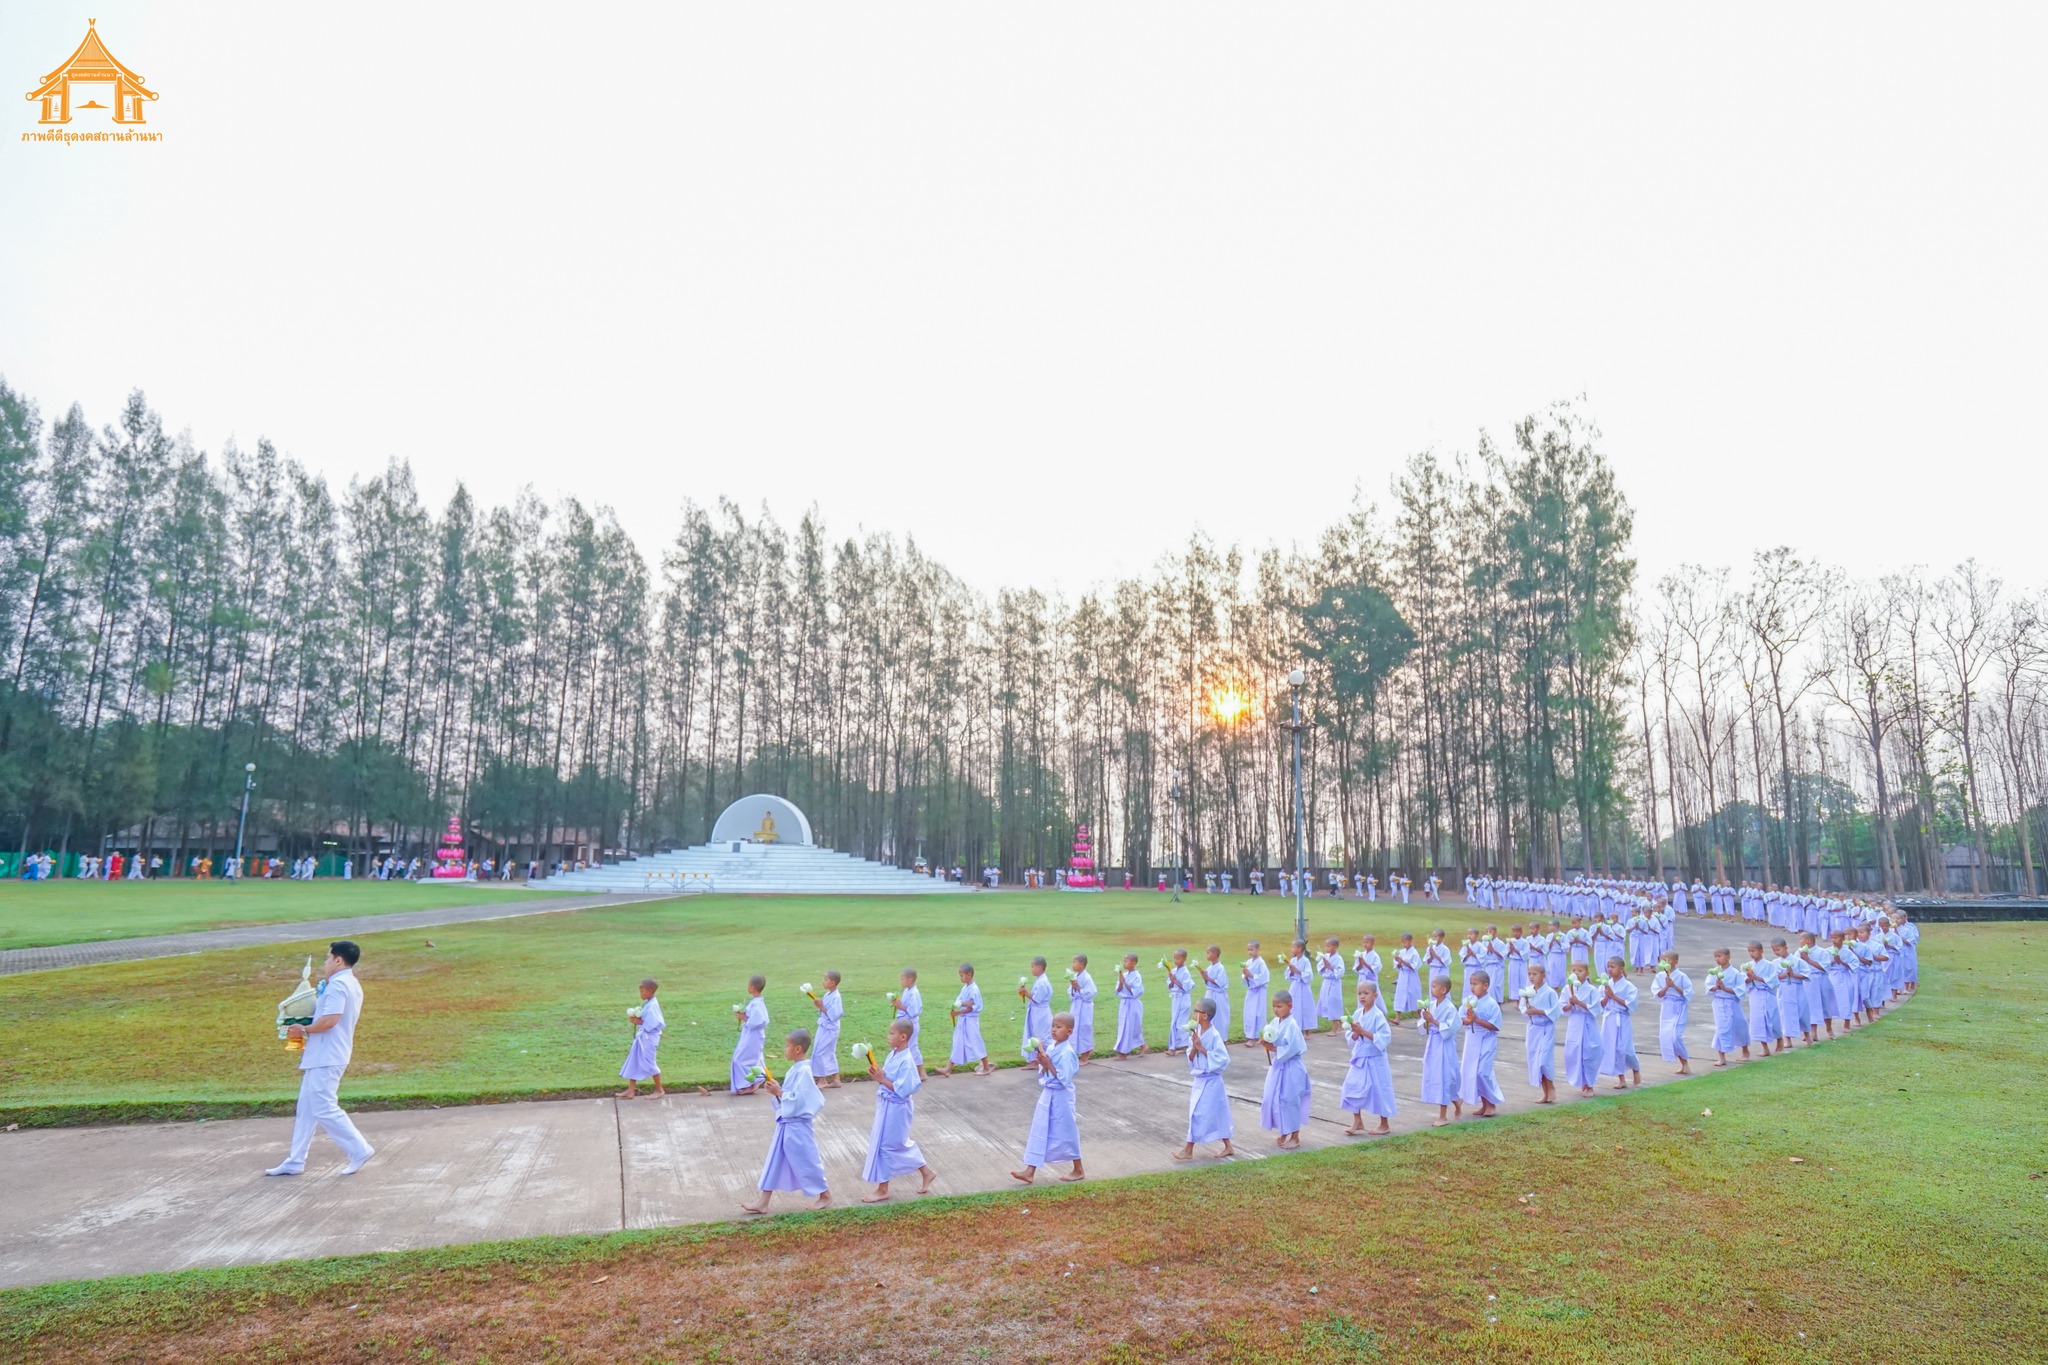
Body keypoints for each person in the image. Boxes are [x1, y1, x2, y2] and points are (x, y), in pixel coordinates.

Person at [266, 941, 375, 1177]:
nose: (325, 963)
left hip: (328, 1055)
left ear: (338, 960)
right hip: (324, 1054)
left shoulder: (338, 986)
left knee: (324, 1107)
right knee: (306, 1108)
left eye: (327, 958)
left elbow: (330, 1020)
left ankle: (359, 1149)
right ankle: (296, 1160)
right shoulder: (346, 983)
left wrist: (303, 1030)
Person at [739, 1029, 830, 1215]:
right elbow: (792, 1097)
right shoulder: (796, 1068)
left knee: (807, 1160)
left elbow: (801, 1099)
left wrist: (780, 1093)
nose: (784, 1049)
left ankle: (825, 1195)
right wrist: (777, 1092)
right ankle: (763, 1202)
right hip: (787, 1123)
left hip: (798, 1126)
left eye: (787, 1046)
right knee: (775, 1160)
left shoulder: (804, 1071)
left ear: (797, 1049)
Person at [860, 1020, 938, 1202]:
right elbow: (888, 1077)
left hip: (897, 1108)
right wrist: (878, 1073)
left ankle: (883, 1189)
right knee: (891, 1144)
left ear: (903, 1037)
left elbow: (903, 1089)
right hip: (886, 1106)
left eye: (891, 1034)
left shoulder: (907, 1060)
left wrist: (882, 1079)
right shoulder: (893, 1054)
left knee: (888, 1145)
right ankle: (927, 1172)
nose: (888, 1037)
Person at [1011, 1012, 1084, 1185]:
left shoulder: (1067, 1053)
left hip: (1061, 1096)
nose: (1054, 1030)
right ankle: (1030, 1170)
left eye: (1059, 1027)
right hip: (1048, 1094)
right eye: (1053, 1026)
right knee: (1040, 1128)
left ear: (1069, 1031)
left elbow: (1064, 1079)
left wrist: (1047, 1064)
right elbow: (1045, 1071)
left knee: (1066, 1130)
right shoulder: (1052, 1047)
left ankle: (1078, 1169)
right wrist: (1042, 1059)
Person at [1173, 997, 1235, 1160]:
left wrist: (1202, 1047)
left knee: (1198, 1113)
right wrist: (1195, 1047)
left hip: (1212, 1080)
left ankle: (1188, 1149)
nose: (1193, 1014)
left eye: (1196, 1011)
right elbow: (1191, 1057)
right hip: (1199, 1079)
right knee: (1213, 1113)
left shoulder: (1214, 1035)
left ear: (1205, 1015)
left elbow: (1223, 1060)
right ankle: (1228, 1146)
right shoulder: (1196, 1032)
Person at [1340, 981, 1396, 1135]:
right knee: (1350, 1087)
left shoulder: (1378, 1015)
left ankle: (1384, 1124)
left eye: (1366, 993)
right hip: (1360, 1057)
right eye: (1359, 993)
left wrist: (1363, 1031)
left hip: (1375, 1059)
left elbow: (1384, 1038)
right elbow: (1351, 1037)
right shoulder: (1358, 1014)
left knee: (1379, 1090)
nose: (1362, 997)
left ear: (1375, 995)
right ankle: (1357, 1121)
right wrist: (1355, 1033)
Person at [1257, 990, 1310, 1149]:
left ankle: (1295, 1136)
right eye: (1274, 1006)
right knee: (1273, 1098)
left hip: (1292, 1066)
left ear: (1290, 1006)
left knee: (1290, 1099)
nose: (1276, 1009)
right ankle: (1283, 1130)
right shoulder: (1275, 1022)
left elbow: (1291, 1048)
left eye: (1279, 1006)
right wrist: (1265, 1042)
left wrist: (1271, 1047)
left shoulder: (1292, 1025)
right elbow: (1271, 1038)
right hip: (1278, 1066)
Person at [1418, 976, 1462, 1126]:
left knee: (1444, 1076)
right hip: (1433, 1044)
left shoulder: (1450, 1008)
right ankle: (1456, 1102)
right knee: (1437, 1076)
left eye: (1435, 986)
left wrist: (1433, 1020)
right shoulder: (1431, 1005)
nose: (1432, 989)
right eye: (1431, 986)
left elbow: (1451, 1028)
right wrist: (1425, 1020)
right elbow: (1424, 1026)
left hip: (1444, 1045)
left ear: (1443, 990)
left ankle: (1443, 1116)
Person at [1458, 971, 1503, 1118]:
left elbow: (1495, 1026)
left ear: (1485, 986)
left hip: (1487, 1039)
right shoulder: (1468, 1001)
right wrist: (1469, 1020)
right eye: (1471, 983)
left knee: (1483, 1071)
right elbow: (1461, 1019)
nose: (1472, 987)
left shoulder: (1492, 1004)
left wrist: (1476, 1020)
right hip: (1472, 1039)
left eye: (1475, 984)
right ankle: (1484, 1104)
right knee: (1473, 1072)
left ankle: (1491, 1103)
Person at [933, 963, 991, 1078]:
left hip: (971, 1021)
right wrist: (956, 1011)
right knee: (957, 1041)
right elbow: (960, 1002)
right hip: (963, 1020)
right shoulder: (965, 988)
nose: (960, 978)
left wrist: (959, 1010)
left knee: (976, 1041)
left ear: (969, 975)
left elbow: (971, 1006)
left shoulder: (974, 990)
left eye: (962, 975)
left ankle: (986, 1067)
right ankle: (948, 1069)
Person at [617, 977, 666, 1098]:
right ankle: (631, 1090)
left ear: (649, 991)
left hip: (649, 1039)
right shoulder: (648, 1003)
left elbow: (652, 1024)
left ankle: (659, 1090)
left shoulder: (652, 1005)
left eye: (642, 991)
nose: (640, 994)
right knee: (634, 1060)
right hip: (643, 1038)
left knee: (650, 1063)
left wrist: (638, 1022)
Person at [1598, 957, 1641, 1090]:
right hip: (1609, 1018)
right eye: (1608, 967)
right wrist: (1606, 996)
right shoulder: (1605, 985)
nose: (1609, 969)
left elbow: (1631, 1004)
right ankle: (1621, 1078)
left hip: (1622, 1019)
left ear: (1621, 969)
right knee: (1613, 1048)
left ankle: (1636, 1069)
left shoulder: (1629, 986)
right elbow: (1600, 1004)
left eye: (1612, 967)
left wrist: (1613, 996)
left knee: (1625, 1047)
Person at [1519, 963, 1558, 1104]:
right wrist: (1527, 1010)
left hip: (1546, 1028)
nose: (1531, 977)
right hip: (1533, 1029)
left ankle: (1551, 1086)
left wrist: (1538, 1011)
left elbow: (1555, 1011)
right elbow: (1522, 1008)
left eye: (1534, 974)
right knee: (1535, 1061)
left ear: (1543, 975)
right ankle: (1545, 1093)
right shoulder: (1527, 991)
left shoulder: (1550, 993)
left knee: (1543, 1060)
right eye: (1529, 974)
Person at [1561, 962, 1601, 1097]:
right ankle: (1581, 1080)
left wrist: (1578, 1002)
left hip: (1588, 1022)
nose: (1576, 973)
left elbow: (1596, 1008)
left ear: (1588, 973)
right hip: (1574, 1022)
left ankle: (1590, 1084)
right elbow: (1562, 1008)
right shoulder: (1567, 989)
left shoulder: (1592, 990)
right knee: (1573, 1053)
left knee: (1589, 1052)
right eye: (1573, 970)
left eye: (1580, 970)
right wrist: (1570, 1004)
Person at [1705, 948, 1750, 1065]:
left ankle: (1745, 1051)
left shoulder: (1735, 973)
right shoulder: (1714, 972)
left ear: (1728, 957)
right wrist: (1716, 987)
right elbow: (1709, 987)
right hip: (1719, 1002)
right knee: (1722, 1028)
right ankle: (1721, 1056)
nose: (1717, 959)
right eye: (1716, 956)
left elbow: (1741, 990)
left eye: (1720, 956)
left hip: (1732, 1002)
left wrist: (1725, 988)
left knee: (1741, 1025)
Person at [1654, 953, 1692, 1075]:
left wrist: (1674, 985)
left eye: (1668, 959)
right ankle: (1683, 1064)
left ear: (1676, 961)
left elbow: (1688, 993)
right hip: (1667, 1007)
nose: (1665, 962)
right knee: (1667, 1036)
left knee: (1676, 1036)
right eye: (1663, 960)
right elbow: (1658, 994)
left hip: (1679, 1006)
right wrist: (1666, 987)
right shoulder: (1659, 976)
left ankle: (1685, 1062)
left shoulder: (1682, 976)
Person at [730, 975, 769, 1095]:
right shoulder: (755, 1002)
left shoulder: (757, 1004)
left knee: (740, 1059)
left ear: (752, 987)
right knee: (749, 1058)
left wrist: (743, 1017)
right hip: (749, 1034)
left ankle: (750, 1082)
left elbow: (758, 1020)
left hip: (753, 1036)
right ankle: (751, 1081)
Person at [811, 970, 845, 1087]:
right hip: (824, 1026)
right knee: (829, 1052)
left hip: (830, 1028)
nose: (823, 982)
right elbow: (825, 1010)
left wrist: (822, 1007)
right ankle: (836, 1080)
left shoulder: (836, 997)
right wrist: (819, 1006)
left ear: (833, 983)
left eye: (826, 980)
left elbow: (835, 1015)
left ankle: (822, 1079)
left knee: (820, 1052)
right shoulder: (827, 995)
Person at [1112, 954, 1147, 1057]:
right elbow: (1118, 990)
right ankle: (1143, 1046)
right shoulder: (1125, 975)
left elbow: (1136, 991)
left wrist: (1124, 983)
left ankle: (1124, 1053)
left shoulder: (1137, 976)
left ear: (1133, 963)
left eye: (1126, 961)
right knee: (1125, 1026)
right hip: (1124, 1003)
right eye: (1124, 961)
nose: (1124, 963)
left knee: (1130, 1027)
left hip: (1133, 1004)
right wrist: (1121, 982)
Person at [893, 968, 926, 1078]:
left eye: (903, 979)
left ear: (910, 980)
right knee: (907, 1047)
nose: (901, 981)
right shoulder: (907, 991)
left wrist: (900, 1006)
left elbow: (914, 1010)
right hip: (904, 1024)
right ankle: (917, 1072)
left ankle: (921, 1072)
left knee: (911, 1047)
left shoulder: (914, 993)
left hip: (910, 1024)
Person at [1066, 955, 1097, 1062]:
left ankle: (1086, 1053)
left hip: (1084, 1006)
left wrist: (1078, 987)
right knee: (1075, 1029)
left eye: (1075, 962)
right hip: (1076, 1005)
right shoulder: (1075, 976)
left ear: (1081, 965)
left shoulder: (1087, 977)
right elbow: (1070, 991)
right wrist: (1073, 986)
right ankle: (1077, 1051)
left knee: (1084, 1028)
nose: (1072, 964)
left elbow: (1091, 992)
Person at [1239, 941, 1270, 1046]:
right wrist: (1245, 975)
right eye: (1248, 950)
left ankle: (1261, 1036)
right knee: (1249, 1014)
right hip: (1251, 991)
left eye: (1252, 949)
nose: (1250, 952)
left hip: (1260, 991)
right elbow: (1244, 979)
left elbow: (1264, 977)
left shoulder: (1261, 963)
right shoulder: (1248, 962)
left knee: (1260, 1013)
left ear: (1258, 949)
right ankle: (1250, 1037)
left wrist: (1251, 975)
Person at [1163, 948, 1194, 1054]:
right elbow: (1170, 986)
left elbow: (1186, 987)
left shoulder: (1185, 972)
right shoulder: (1174, 971)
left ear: (1184, 959)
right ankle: (1177, 1046)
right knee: (1175, 1022)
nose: (1176, 961)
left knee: (1180, 1022)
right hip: (1175, 999)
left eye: (1178, 959)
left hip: (1183, 998)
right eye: (1174, 959)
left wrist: (1175, 980)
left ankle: (1177, 1046)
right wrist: (1171, 981)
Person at [1019, 957, 1054, 1048]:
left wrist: (1025, 993)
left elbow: (1037, 999)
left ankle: (1049, 1057)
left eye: (1032, 967)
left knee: (1042, 1037)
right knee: (1035, 1034)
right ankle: (1037, 1059)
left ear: (1039, 967)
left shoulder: (1043, 982)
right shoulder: (1040, 979)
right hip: (1036, 1012)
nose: (1031, 969)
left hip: (1041, 1013)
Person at [1286, 940, 1320, 1032]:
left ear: (1299, 949)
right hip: (1295, 986)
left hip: (1303, 986)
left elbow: (1309, 975)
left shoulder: (1305, 961)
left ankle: (1307, 1031)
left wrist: (1296, 970)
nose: (1291, 949)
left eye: (1293, 947)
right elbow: (1288, 975)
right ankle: (1295, 1029)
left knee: (1305, 1006)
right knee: (1294, 1006)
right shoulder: (1292, 960)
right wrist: (1291, 971)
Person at [1201, 945, 1231, 1041]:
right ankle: (1209, 1038)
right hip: (1210, 994)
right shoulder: (1210, 967)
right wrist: (1204, 977)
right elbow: (1208, 982)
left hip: (1218, 995)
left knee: (1220, 1017)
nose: (1207, 955)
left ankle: (1222, 1039)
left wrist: (1208, 978)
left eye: (1208, 953)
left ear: (1214, 954)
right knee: (1209, 1016)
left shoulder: (1220, 968)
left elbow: (1220, 983)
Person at [1391, 933, 1422, 1018]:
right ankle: (1397, 1017)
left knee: (1414, 993)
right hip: (1403, 975)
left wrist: (1403, 961)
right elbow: (1398, 966)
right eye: (1402, 942)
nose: (1404, 944)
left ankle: (1419, 1012)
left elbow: (1414, 967)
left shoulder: (1415, 953)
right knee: (1400, 994)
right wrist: (1399, 962)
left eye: (1405, 942)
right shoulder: (1401, 952)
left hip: (1412, 976)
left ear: (1411, 941)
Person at [1317, 936, 1345, 1028]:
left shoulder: (1338, 958)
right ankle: (1342, 1023)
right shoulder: (1325, 956)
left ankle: (1335, 1028)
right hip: (1326, 982)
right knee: (1326, 1002)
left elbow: (1340, 972)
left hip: (1334, 983)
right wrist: (1325, 965)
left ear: (1335, 947)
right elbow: (1320, 969)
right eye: (1326, 946)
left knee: (1334, 1003)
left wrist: (1329, 966)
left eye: (1328, 946)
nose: (1326, 948)